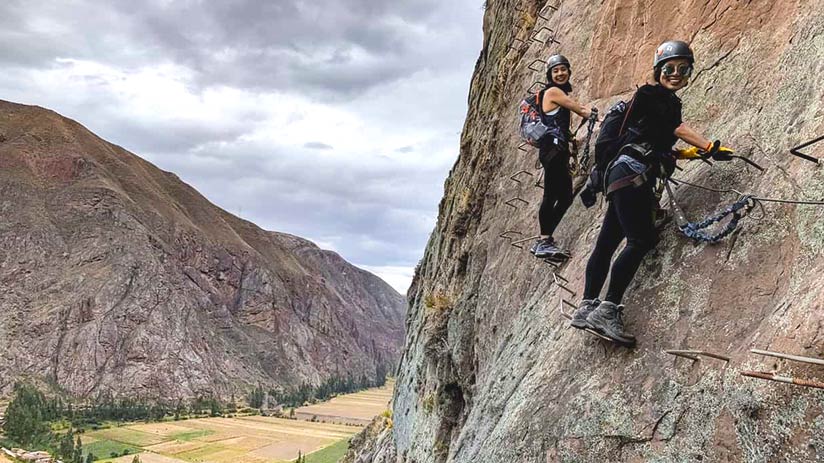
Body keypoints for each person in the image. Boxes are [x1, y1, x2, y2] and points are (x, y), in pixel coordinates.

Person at [570, 40, 733, 346]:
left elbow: (655, 142)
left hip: (620, 175)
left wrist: (691, 155)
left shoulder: (648, 103)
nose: (676, 74)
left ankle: (587, 306)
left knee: (607, 242)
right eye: (669, 68)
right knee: (642, 239)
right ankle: (607, 310)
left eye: (683, 69)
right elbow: (676, 128)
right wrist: (708, 145)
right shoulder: (655, 96)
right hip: (634, 176)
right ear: (658, 71)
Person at [529, 54, 597, 260]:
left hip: (556, 150)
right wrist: (598, 115)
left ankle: (545, 239)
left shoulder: (553, 93)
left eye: (563, 69)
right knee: (551, 195)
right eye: (555, 71)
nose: (560, 73)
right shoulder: (553, 91)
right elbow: (579, 109)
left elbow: (558, 123)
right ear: (549, 75)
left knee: (566, 196)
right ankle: (544, 241)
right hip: (553, 151)